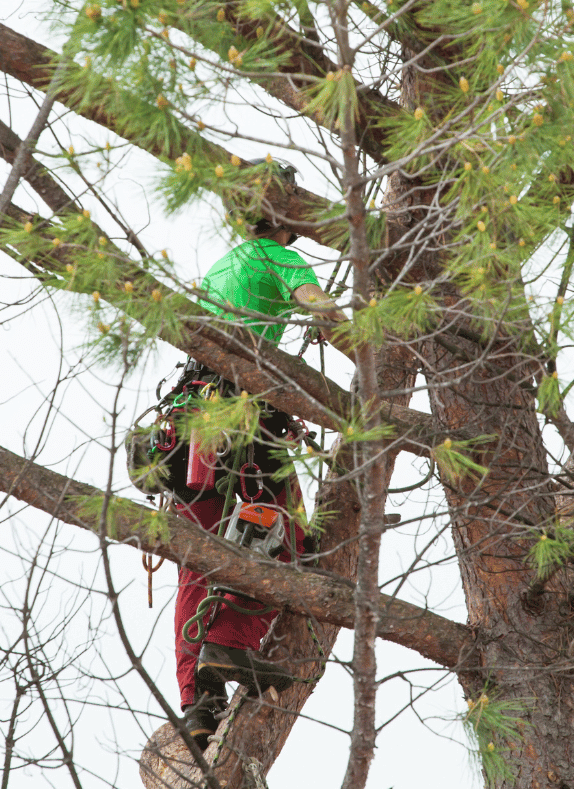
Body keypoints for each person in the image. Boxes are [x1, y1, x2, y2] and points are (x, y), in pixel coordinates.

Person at [171, 160, 344, 751]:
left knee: (198, 555)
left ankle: (199, 701)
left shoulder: (224, 264)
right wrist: (345, 325)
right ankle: (229, 648)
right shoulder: (278, 255)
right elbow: (320, 307)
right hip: (241, 417)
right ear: (287, 216)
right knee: (284, 533)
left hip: (187, 419)